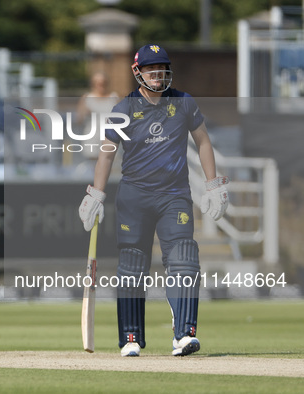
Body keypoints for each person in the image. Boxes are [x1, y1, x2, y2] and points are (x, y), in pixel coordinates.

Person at [78, 44, 229, 357]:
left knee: (185, 258)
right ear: (139, 72)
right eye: (151, 69)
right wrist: (96, 193)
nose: (158, 74)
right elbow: (107, 154)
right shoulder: (124, 108)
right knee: (133, 265)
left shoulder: (184, 103)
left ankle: (184, 335)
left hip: (174, 195)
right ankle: (131, 338)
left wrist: (213, 184)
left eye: (161, 68)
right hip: (134, 197)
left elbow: (203, 141)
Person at [76, 72, 119, 160]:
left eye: (103, 82)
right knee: (93, 167)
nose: (100, 85)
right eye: (97, 83)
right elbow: (78, 120)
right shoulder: (86, 98)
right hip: (92, 137)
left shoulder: (114, 97)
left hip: (110, 137)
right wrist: (84, 112)